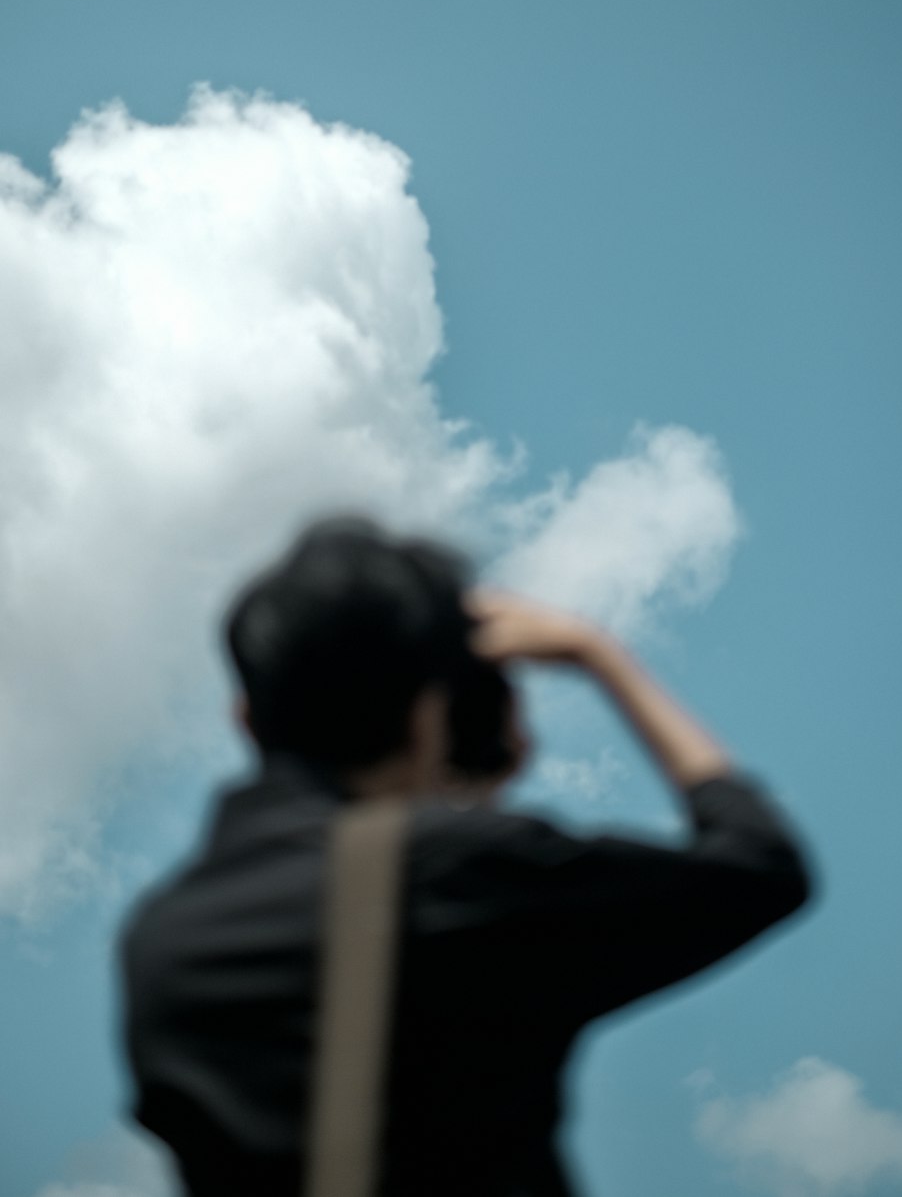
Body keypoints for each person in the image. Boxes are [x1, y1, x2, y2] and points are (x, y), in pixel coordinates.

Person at [117, 513, 815, 1197]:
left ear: (245, 718)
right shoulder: (460, 875)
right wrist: (597, 655)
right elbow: (761, 865)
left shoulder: (159, 940)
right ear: (428, 709)